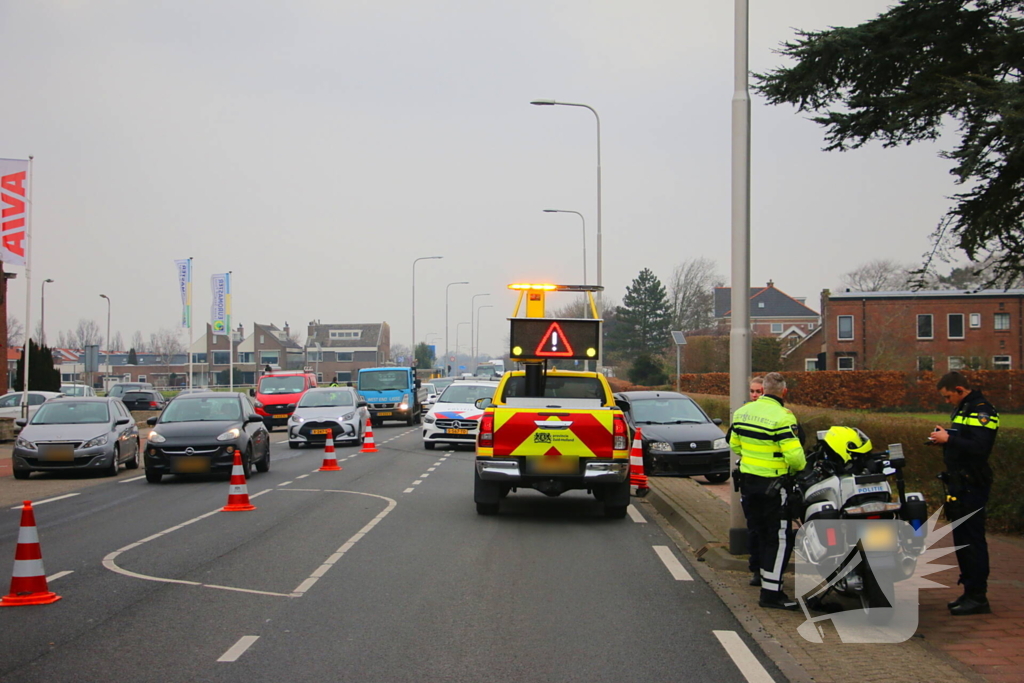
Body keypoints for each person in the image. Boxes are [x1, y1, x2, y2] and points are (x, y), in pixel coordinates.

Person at [730, 372, 806, 610]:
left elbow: (734, 444)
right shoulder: (783, 417)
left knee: (759, 531)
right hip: (774, 486)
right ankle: (771, 593)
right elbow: (795, 457)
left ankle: (763, 576)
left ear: (762, 390)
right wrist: (799, 468)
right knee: (779, 537)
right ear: (784, 392)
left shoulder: (742, 413)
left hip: (748, 483)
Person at [928, 371, 999, 616]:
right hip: (960, 483)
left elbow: (980, 447)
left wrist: (949, 439)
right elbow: (965, 438)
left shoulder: (982, 410)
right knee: (962, 540)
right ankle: (969, 591)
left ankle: (978, 596)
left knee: (972, 540)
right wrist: (946, 436)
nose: (947, 401)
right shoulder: (964, 409)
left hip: (972, 484)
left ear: (960, 390)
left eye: (948, 396)